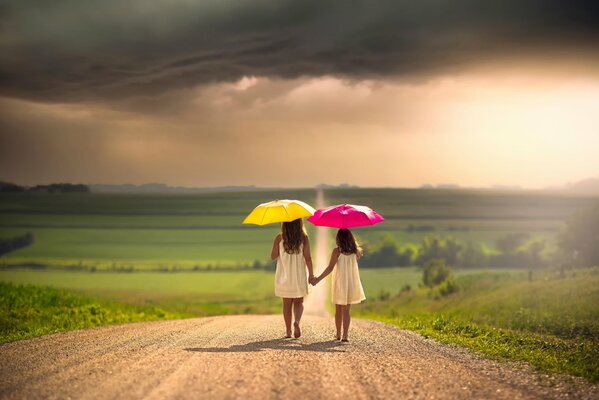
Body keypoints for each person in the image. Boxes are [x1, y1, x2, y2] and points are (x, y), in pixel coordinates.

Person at [311, 228, 365, 342]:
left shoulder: (337, 251)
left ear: (338, 239)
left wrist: (317, 279)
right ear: (350, 238)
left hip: (340, 282)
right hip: (351, 282)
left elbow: (330, 268)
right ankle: (345, 335)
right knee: (346, 310)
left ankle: (338, 333)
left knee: (338, 310)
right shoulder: (355, 251)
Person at [271, 218, 314, 338]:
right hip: (299, 276)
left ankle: (288, 331)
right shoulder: (304, 237)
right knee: (299, 302)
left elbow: (273, 256)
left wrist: (277, 246)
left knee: (287, 304)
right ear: (299, 223)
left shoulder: (279, 238)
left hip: (284, 276)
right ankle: (297, 322)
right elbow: (308, 258)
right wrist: (311, 274)